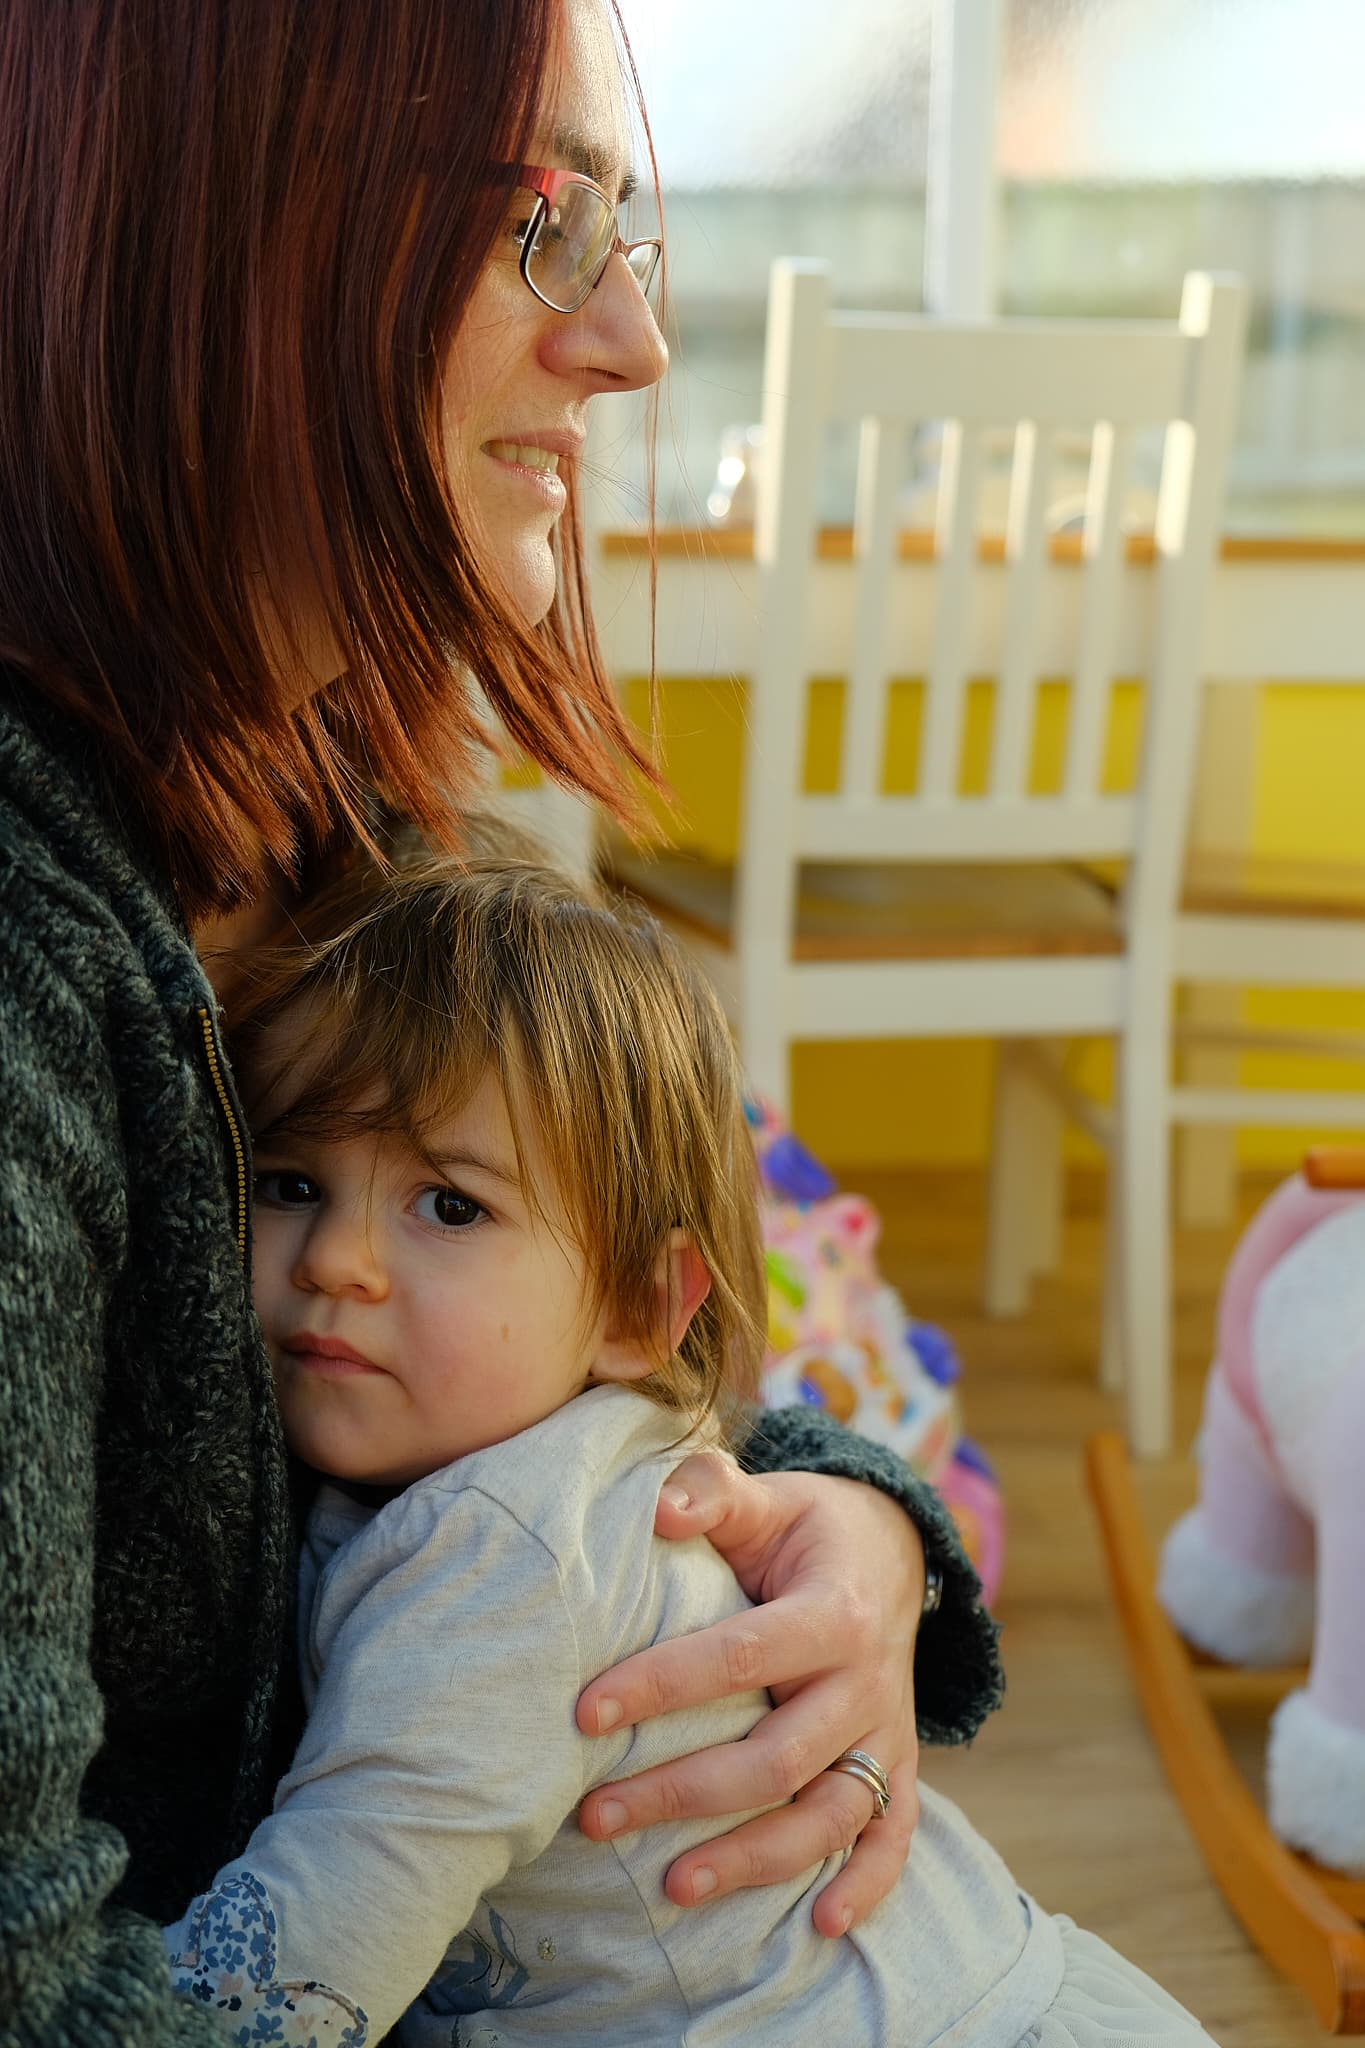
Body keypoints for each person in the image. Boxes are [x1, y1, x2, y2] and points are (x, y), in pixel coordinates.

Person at [0, 4, 1005, 2041]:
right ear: (221, 209)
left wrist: (827, 1519)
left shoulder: (323, 800)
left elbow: (519, 1354)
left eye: (617, 237)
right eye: (538, 217)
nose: (628, 349)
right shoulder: (38, 978)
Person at [163, 849, 1214, 2047]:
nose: (333, 1259)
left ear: (637, 1309)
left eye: (449, 1205)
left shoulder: (509, 1555)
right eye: (293, 1181)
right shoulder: (518, 1441)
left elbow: (288, 1983)